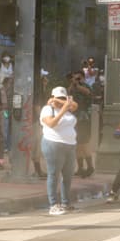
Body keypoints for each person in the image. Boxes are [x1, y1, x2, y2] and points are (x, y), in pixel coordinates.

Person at [39, 85, 78, 216]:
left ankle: (66, 202)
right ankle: (53, 204)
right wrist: (62, 109)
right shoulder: (47, 109)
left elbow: (75, 105)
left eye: (63, 98)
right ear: (52, 97)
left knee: (68, 175)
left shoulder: (68, 109)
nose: (60, 100)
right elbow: (51, 123)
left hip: (70, 144)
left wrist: (63, 103)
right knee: (54, 174)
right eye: (58, 98)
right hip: (53, 144)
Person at [69, 71, 96, 177]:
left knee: (84, 143)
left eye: (79, 78)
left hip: (84, 118)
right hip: (75, 118)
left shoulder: (86, 86)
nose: (76, 80)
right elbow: (68, 93)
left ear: (83, 78)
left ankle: (90, 167)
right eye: (75, 78)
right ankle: (80, 168)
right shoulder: (73, 88)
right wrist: (72, 84)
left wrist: (77, 85)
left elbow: (87, 93)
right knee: (77, 144)